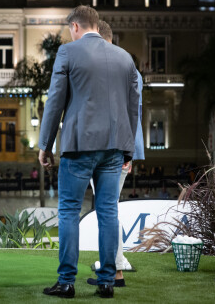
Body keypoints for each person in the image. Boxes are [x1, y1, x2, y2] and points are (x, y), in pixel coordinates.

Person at [39, 5, 139, 299]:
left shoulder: (68, 53)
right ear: (97, 24)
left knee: (69, 211)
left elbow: (55, 101)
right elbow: (134, 108)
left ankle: (66, 281)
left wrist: (44, 145)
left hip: (79, 145)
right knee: (108, 212)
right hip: (114, 147)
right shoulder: (125, 58)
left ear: (76, 27)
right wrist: (128, 149)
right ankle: (107, 281)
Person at [88, 20, 145, 288]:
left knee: (107, 210)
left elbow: (126, 113)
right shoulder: (127, 66)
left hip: (112, 149)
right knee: (107, 209)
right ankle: (115, 271)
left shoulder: (113, 68)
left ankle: (115, 272)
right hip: (121, 149)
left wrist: (126, 152)